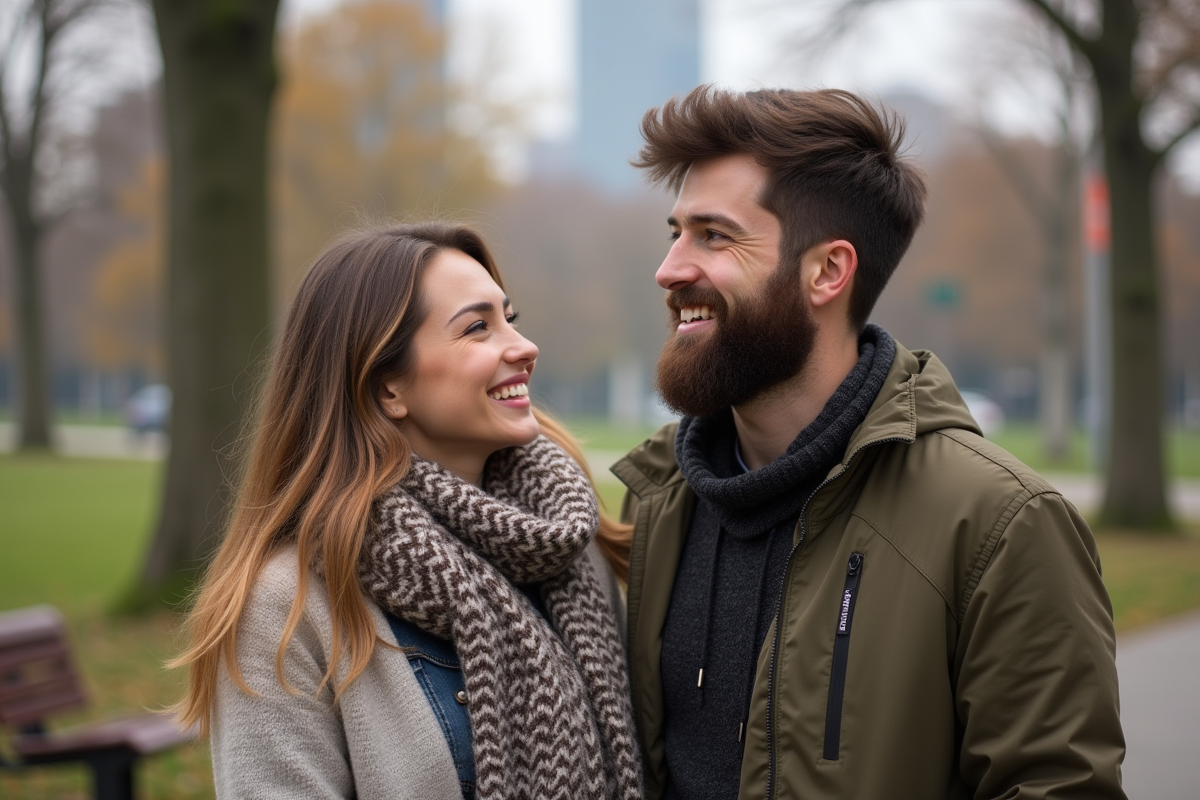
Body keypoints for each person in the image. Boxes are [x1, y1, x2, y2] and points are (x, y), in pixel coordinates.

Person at [611, 86, 1126, 799]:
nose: (671, 269)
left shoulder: (999, 525)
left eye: (714, 235)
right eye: (675, 232)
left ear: (828, 271)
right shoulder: (654, 502)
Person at [172, 222, 643, 800]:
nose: (523, 347)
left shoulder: (570, 548)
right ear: (388, 388)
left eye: (509, 319)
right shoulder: (287, 607)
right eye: (477, 328)